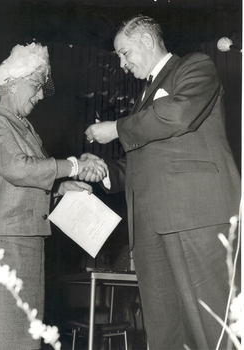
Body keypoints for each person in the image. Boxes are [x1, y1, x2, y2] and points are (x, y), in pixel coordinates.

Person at [83, 15, 241, 350]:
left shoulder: (196, 66)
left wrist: (117, 128)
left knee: (214, 329)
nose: (123, 64)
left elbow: (179, 113)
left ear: (146, 40)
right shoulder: (144, 97)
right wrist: (106, 171)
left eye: (125, 53)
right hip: (152, 229)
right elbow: (148, 161)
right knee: (166, 334)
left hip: (194, 217)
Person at [0, 42, 108, 350]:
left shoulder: (24, 129)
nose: (41, 96)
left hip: (23, 245)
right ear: (14, 83)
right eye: (37, 86)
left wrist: (60, 189)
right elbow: (19, 168)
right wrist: (75, 166)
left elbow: (21, 185)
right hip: (0, 247)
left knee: (21, 341)